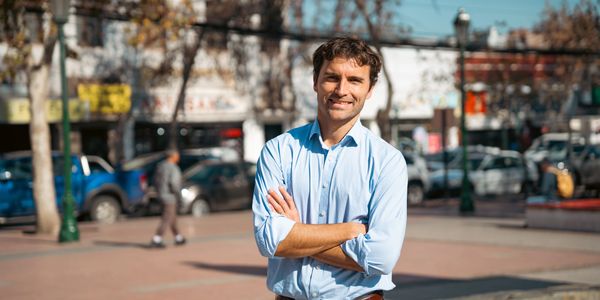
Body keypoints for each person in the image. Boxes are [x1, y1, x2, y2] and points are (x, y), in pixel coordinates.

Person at [252, 37, 407, 299]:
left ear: (370, 89)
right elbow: (269, 240)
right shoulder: (278, 151)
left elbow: (381, 258)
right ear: (315, 81)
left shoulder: (387, 161)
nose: (341, 90)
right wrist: (348, 231)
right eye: (332, 77)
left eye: (355, 80)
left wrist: (297, 234)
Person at [150, 149, 186, 248]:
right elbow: (174, 184)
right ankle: (157, 238)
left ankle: (178, 237)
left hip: (161, 194)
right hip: (170, 197)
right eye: (177, 156)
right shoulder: (173, 168)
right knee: (166, 218)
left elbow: (155, 181)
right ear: (173, 156)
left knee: (172, 217)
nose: (178, 158)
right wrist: (179, 196)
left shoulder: (160, 167)